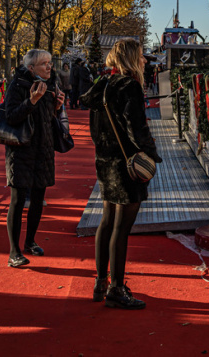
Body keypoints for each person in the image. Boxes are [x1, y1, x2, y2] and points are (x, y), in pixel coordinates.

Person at [80, 38, 162, 309]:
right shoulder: (130, 86)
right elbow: (137, 129)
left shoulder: (103, 84)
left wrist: (105, 149)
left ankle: (100, 282)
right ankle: (116, 288)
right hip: (127, 163)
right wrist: (151, 154)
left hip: (105, 161)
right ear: (130, 59)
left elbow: (94, 128)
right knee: (121, 228)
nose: (144, 60)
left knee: (106, 221)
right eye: (140, 55)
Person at [4, 49, 64, 267]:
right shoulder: (18, 85)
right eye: (44, 64)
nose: (49, 67)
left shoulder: (51, 83)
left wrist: (57, 107)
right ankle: (14, 252)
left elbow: (48, 117)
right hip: (21, 149)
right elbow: (11, 117)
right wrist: (31, 100)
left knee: (38, 198)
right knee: (18, 200)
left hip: (43, 148)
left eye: (49, 63)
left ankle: (30, 242)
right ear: (31, 68)